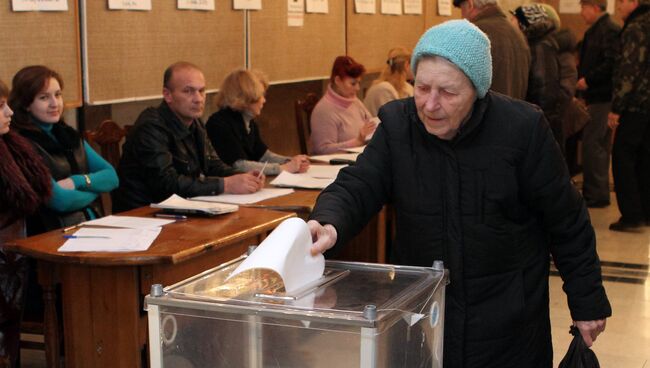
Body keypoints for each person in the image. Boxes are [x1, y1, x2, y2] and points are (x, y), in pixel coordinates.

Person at [307, 20, 610, 367]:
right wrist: (328, 222)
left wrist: (587, 302)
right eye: (421, 88)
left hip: (508, 322)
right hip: (422, 317)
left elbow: (566, 220)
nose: (430, 105)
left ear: (477, 89)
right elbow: (358, 184)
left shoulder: (522, 130)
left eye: (448, 92)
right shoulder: (397, 125)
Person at [113, 62, 264, 212]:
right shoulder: (151, 127)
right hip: (142, 216)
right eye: (188, 91)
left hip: (178, 210)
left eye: (201, 91)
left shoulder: (196, 122)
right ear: (168, 95)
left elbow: (213, 166)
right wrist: (227, 184)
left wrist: (244, 178)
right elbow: (166, 184)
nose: (198, 99)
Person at [9, 66, 118, 233]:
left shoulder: (68, 134)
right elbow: (59, 200)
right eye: (44, 97)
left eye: (58, 95)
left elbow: (112, 177)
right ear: (26, 105)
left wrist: (76, 182)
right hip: (52, 233)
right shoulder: (23, 143)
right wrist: (96, 190)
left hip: (90, 224)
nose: (55, 104)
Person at [0, 79, 51, 368]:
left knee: (11, 333)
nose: (9, 113)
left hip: (13, 256)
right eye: (0, 107)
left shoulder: (13, 147)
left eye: (7, 104)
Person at [206, 69, 309, 176]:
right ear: (247, 96)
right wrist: (282, 168)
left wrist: (291, 161)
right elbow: (238, 165)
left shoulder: (248, 121)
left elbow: (263, 155)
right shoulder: (219, 124)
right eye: (261, 95)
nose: (264, 100)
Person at [607, 0, 650, 231]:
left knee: (623, 156)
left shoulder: (635, 28)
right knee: (644, 159)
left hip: (634, 104)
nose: (617, 7)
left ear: (633, 2)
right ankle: (645, 211)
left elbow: (629, 69)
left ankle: (632, 216)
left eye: (621, 2)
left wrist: (617, 107)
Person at [577, 0, 620, 209]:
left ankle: (596, 194)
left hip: (602, 96)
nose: (581, 13)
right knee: (597, 145)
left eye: (583, 7)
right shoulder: (599, 29)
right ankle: (597, 191)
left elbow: (611, 63)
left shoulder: (607, 30)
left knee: (594, 145)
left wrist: (588, 80)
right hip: (598, 95)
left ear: (594, 7)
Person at [512, 4, 572, 154]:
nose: (510, 24)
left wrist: (534, 123)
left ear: (524, 24)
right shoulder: (539, 44)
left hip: (544, 123)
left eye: (514, 20)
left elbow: (544, 91)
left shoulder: (540, 47)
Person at [454, 0, 530, 99]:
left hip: (485, 112)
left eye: (462, 9)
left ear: (470, 5)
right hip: (513, 111)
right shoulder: (517, 33)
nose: (462, 16)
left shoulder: (473, 33)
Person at [309, 56, 376, 155]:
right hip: (337, 166)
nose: (358, 88)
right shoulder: (323, 110)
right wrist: (357, 142)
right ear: (337, 81)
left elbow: (370, 124)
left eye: (359, 83)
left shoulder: (355, 101)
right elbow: (322, 149)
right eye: (353, 84)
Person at [363, 47, 414, 116]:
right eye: (415, 64)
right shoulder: (383, 89)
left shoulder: (407, 87)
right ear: (406, 65)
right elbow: (393, 120)